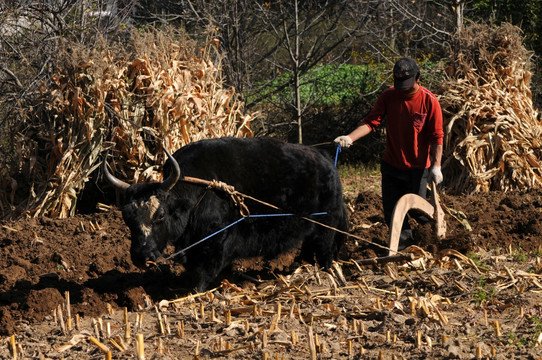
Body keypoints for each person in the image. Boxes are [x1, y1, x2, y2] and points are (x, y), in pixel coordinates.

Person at [334, 57, 444, 243]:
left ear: (418, 78)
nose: (403, 89)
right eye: (400, 84)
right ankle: (402, 247)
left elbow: (437, 137)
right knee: (393, 213)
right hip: (392, 166)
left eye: (407, 84)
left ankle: (434, 237)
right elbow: (371, 122)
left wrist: (436, 166)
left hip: (417, 169)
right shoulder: (388, 96)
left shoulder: (430, 101)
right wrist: (350, 138)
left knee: (418, 211)